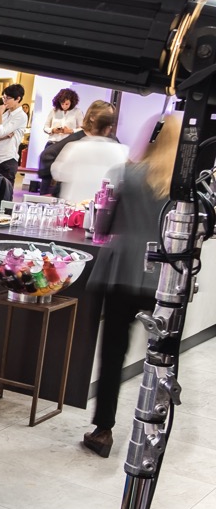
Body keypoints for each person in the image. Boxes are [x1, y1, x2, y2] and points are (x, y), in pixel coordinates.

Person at [81, 115, 178, 458]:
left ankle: (103, 430)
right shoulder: (182, 188)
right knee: (162, 355)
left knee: (112, 353)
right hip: (162, 278)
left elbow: (103, 225)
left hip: (120, 271)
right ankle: (155, 424)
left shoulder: (125, 174)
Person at [50, 100, 127, 205]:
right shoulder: (120, 151)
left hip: (75, 205)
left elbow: (58, 172)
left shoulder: (75, 147)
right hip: (100, 207)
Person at [0, 83, 28, 195]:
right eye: (3, 97)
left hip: (7, 159)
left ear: (18, 99)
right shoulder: (6, 114)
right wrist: (3, 137)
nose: (4, 101)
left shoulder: (21, 116)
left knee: (4, 196)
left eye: (8, 98)